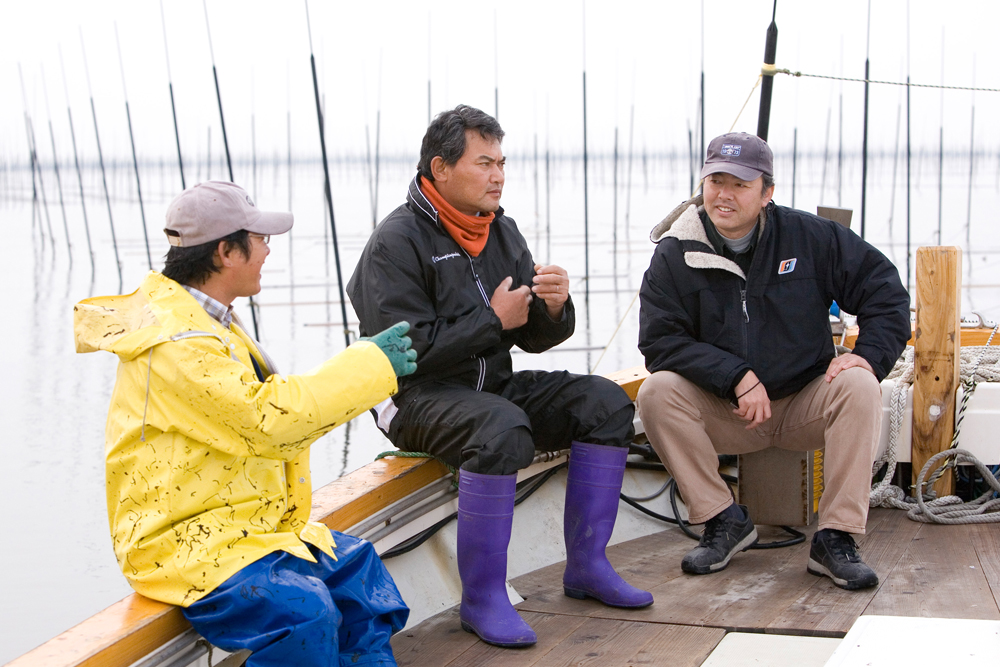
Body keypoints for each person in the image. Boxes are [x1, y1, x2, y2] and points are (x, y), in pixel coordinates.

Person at [74, 181, 417, 667]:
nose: (268, 249)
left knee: (358, 570)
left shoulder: (207, 320)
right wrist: (368, 365)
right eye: (260, 240)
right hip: (179, 541)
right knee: (304, 614)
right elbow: (267, 420)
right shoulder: (175, 344)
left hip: (239, 526)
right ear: (226, 251)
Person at [348, 105, 652, 648]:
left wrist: (554, 309)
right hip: (416, 400)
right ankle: (482, 597)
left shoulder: (501, 230)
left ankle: (587, 566)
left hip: (491, 388)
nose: (498, 176)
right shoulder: (394, 243)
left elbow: (531, 336)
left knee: (604, 402)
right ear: (440, 169)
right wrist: (493, 320)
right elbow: (402, 353)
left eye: (502, 164)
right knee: (500, 429)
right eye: (484, 163)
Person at [636, 132, 911, 590]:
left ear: (767, 193)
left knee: (862, 384)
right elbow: (659, 342)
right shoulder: (674, 252)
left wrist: (868, 356)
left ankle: (836, 537)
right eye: (715, 180)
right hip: (731, 411)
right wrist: (734, 376)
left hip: (805, 401)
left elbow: (885, 292)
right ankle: (723, 519)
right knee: (657, 392)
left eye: (740, 184)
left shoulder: (811, 236)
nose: (724, 194)